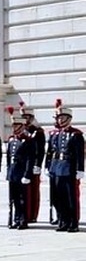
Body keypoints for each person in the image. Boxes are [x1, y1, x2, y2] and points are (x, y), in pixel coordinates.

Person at [45, 99, 84, 233]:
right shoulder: (54, 134)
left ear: (69, 118)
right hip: (56, 168)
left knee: (70, 197)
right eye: (58, 117)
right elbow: (49, 151)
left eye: (62, 117)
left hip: (68, 168)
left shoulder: (76, 134)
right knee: (57, 197)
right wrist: (47, 166)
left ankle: (73, 223)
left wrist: (80, 169)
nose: (60, 120)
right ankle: (62, 221)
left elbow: (80, 153)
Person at [5, 107, 36, 230]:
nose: (14, 128)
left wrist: (27, 175)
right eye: (13, 126)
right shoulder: (12, 140)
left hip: (21, 173)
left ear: (22, 126)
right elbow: (8, 158)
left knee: (23, 199)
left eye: (17, 125)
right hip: (13, 173)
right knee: (14, 198)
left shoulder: (28, 141)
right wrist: (8, 172)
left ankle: (23, 220)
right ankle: (16, 219)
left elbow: (30, 159)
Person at [19, 101, 46, 223]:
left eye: (27, 117)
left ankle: (33, 214)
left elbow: (40, 150)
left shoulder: (38, 132)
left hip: (33, 164)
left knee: (33, 191)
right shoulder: (20, 131)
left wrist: (38, 164)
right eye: (23, 118)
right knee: (23, 192)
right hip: (22, 165)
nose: (25, 120)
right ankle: (25, 213)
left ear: (31, 118)